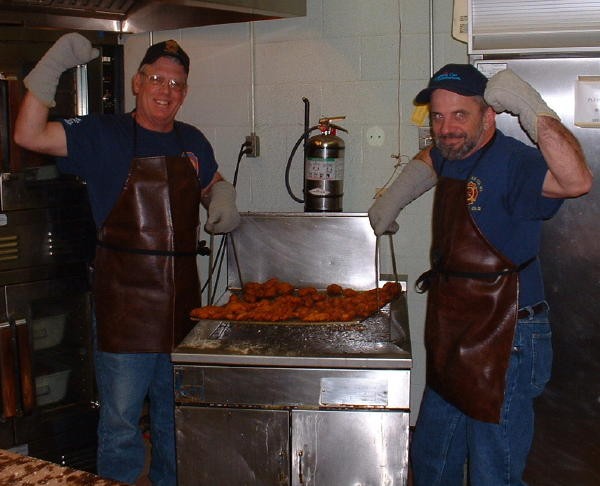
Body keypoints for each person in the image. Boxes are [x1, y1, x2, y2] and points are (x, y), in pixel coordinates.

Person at [14, 34, 240, 485]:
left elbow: (211, 180)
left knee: (174, 421)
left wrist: (222, 197)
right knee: (120, 427)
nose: (166, 89)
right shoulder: (102, 134)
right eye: (157, 78)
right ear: (137, 83)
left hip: (182, 310)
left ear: (185, 92)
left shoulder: (191, 139)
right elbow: (28, 134)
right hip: (125, 308)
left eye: (176, 83)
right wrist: (53, 65)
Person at [368, 64, 593, 485]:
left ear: (488, 116)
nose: (446, 128)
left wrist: (532, 108)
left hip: (507, 337)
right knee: (433, 459)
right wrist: (393, 198)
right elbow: (429, 160)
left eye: (459, 115)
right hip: (454, 328)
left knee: (495, 471)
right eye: (438, 116)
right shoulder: (451, 152)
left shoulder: (515, 162)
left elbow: (577, 180)